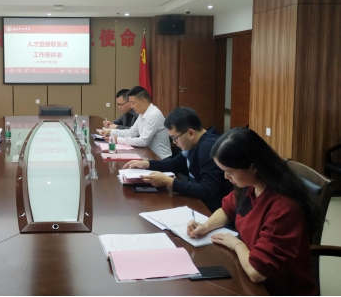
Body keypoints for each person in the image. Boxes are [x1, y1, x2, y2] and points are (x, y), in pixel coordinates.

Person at [187, 127, 319, 296]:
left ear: (253, 166)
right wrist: (205, 226)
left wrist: (236, 244)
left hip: (276, 288)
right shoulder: (250, 185)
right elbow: (227, 209)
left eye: (229, 172)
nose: (226, 177)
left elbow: (257, 272)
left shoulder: (282, 208)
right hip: (245, 273)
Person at [123, 107, 231, 212]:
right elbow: (175, 164)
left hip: (210, 210)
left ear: (191, 133)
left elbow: (208, 190)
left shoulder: (208, 148)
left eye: (174, 138)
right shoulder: (193, 143)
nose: (174, 143)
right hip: (197, 202)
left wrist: (168, 181)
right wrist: (146, 164)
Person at [102, 86, 171, 159]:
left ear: (143, 101)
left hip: (160, 158)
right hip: (148, 155)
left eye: (133, 103)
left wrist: (118, 140)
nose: (131, 106)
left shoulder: (153, 115)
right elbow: (132, 132)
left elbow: (143, 141)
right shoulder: (142, 113)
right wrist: (111, 132)